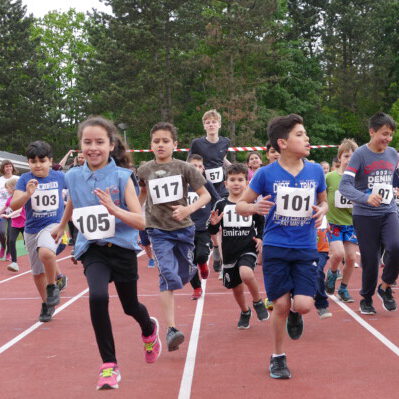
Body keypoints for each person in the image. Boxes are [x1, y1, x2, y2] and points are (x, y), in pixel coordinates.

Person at [51, 116, 161, 391]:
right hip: (93, 249)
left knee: (130, 306)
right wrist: (63, 224)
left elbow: (141, 220)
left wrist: (114, 209)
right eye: (87, 142)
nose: (93, 147)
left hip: (122, 248)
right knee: (98, 297)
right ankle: (109, 365)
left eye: (99, 142)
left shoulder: (122, 177)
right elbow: (75, 198)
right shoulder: (73, 175)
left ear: (111, 145)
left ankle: (148, 329)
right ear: (80, 146)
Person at [236, 114, 327, 379]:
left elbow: (324, 201)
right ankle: (277, 357)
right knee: (280, 304)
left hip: (305, 246)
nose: (306, 138)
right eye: (300, 134)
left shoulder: (316, 171)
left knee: (303, 305)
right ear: (283, 143)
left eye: (305, 134)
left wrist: (322, 210)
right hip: (276, 246)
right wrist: (254, 207)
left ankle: (296, 315)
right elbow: (241, 204)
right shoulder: (265, 174)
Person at [138, 122, 210, 352]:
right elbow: (141, 193)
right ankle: (171, 329)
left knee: (184, 272)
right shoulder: (144, 170)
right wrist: (133, 214)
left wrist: (188, 209)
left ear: (175, 145)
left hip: (183, 230)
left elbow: (205, 196)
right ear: (151, 145)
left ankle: (191, 272)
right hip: (158, 231)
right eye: (156, 141)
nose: (160, 145)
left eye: (165, 141)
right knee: (167, 275)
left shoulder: (184, 168)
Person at [339, 112, 399, 314]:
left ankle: (385, 287)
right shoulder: (359, 155)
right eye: (384, 133)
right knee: (370, 260)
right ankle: (366, 298)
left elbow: (392, 179)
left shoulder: (393, 154)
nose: (387, 139)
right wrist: (365, 197)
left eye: (390, 135)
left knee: (396, 246)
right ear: (372, 132)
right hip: (365, 215)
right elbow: (345, 186)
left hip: (389, 211)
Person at [209, 163, 269, 327]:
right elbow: (213, 229)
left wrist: (260, 237)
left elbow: (261, 222)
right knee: (236, 288)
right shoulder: (220, 204)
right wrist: (213, 224)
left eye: (240, 180)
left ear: (247, 183)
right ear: (225, 183)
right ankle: (245, 311)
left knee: (246, 273)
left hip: (247, 248)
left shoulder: (251, 204)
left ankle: (257, 302)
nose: (236, 183)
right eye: (232, 180)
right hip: (229, 251)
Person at [11, 141, 65, 322]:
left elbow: (76, 192)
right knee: (36, 274)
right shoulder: (25, 179)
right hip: (31, 230)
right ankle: (47, 304)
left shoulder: (59, 177)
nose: (38, 165)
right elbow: (14, 204)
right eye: (33, 161)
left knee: (46, 253)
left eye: (42, 161)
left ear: (50, 161)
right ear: (28, 163)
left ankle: (52, 286)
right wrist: (27, 194)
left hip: (53, 225)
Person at [189, 109, 230, 273]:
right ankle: (216, 249)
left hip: (221, 188)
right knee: (211, 223)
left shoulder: (226, 141)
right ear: (204, 126)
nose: (211, 124)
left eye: (214, 122)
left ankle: (224, 258)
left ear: (219, 124)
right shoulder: (197, 143)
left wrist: (232, 168)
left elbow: (222, 159)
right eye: (208, 122)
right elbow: (190, 161)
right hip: (204, 188)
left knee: (224, 221)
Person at [325, 139, 358, 302]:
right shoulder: (330, 177)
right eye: (346, 156)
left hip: (351, 224)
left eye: (353, 157)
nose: (349, 160)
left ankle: (343, 288)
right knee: (338, 254)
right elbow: (322, 198)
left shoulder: (359, 179)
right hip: (333, 223)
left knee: (351, 258)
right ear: (340, 158)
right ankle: (331, 274)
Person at [187, 154, 220, 300]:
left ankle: (203, 265)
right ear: (187, 167)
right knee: (189, 262)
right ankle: (197, 287)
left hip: (203, 227)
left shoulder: (206, 184)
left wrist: (213, 214)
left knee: (201, 255)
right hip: (185, 228)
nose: (197, 169)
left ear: (203, 169)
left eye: (200, 166)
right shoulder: (181, 184)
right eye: (194, 166)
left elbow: (217, 200)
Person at [0, 178, 25, 272]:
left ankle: (37, 260)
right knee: (11, 240)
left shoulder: (20, 197)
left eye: (8, 188)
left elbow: (19, 210)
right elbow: (4, 208)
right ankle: (14, 263)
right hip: (15, 224)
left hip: (24, 223)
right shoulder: (9, 199)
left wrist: (8, 215)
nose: (6, 190)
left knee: (28, 244)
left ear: (13, 188)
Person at [0, 160, 19, 261]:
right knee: (1, 232)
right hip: (2, 209)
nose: (8, 168)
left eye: (10, 166)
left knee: (10, 232)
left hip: (13, 210)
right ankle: (3, 246)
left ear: (12, 167)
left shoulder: (17, 179)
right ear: (3, 168)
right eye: (6, 166)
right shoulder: (0, 180)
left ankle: (8, 253)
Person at [314, 218, 332, 319]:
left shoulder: (321, 203)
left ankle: (322, 305)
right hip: (301, 246)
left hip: (321, 249)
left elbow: (325, 205)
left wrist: (326, 221)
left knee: (317, 271)